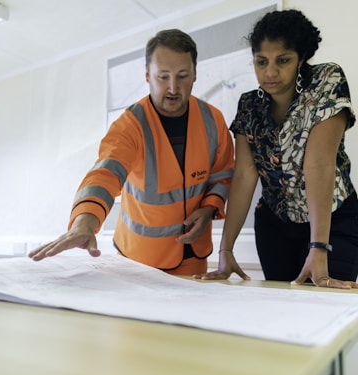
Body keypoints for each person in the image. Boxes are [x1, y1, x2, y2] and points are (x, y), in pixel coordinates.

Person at [29, 29, 235, 276]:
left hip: (194, 256)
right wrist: (84, 223)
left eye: (182, 76)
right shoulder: (129, 125)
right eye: (162, 77)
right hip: (139, 261)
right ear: (147, 76)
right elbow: (105, 174)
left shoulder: (213, 120)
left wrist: (209, 208)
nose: (172, 88)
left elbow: (222, 175)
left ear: (195, 75)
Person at [194, 9, 358, 289]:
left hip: (332, 222)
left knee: (325, 307)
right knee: (283, 310)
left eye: (283, 61)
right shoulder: (250, 105)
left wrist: (318, 247)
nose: (270, 72)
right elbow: (245, 176)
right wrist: (226, 251)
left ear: (301, 59)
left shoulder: (326, 81)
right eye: (261, 61)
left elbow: (318, 164)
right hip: (275, 227)